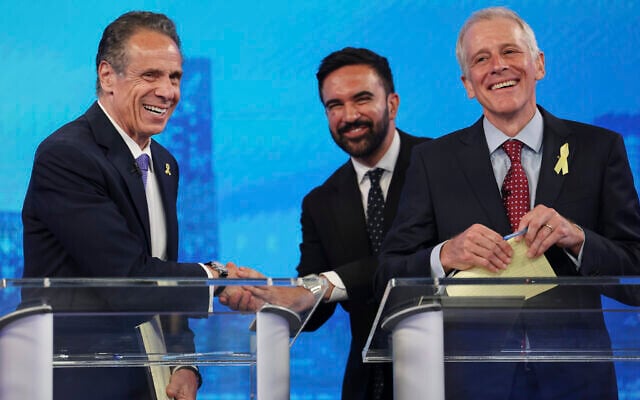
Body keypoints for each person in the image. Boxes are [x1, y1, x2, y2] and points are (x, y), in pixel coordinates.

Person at [375, 6, 640, 400]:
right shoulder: (434, 162)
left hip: (578, 385)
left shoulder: (599, 150)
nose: (497, 66)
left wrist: (579, 239)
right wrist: (446, 254)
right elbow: (389, 273)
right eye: (481, 59)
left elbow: (636, 271)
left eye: (510, 52)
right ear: (468, 83)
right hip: (473, 385)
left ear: (539, 64)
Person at [21, 11, 249, 400]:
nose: (167, 91)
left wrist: (183, 362)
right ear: (107, 75)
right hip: (79, 382)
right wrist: (219, 278)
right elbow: (127, 280)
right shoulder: (66, 156)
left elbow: (161, 276)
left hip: (147, 382)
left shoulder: (164, 164)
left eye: (174, 77)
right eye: (151, 76)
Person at [243, 47, 429, 400]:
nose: (350, 115)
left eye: (362, 99)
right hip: (366, 385)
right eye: (335, 105)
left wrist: (320, 286)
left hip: (449, 373)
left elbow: (415, 261)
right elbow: (313, 310)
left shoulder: (439, 164)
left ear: (392, 103)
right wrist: (269, 296)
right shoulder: (320, 201)